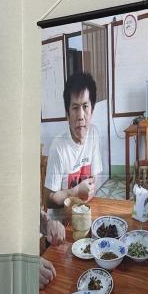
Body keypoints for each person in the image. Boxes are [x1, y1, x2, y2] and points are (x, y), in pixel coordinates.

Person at [44, 72, 102, 219]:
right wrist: (75, 192)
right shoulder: (58, 147)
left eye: (85, 106)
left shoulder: (94, 134)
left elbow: (96, 177)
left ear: (92, 109)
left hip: (84, 215)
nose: (81, 115)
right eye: (75, 108)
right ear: (68, 113)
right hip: (62, 225)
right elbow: (48, 199)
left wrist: (90, 189)